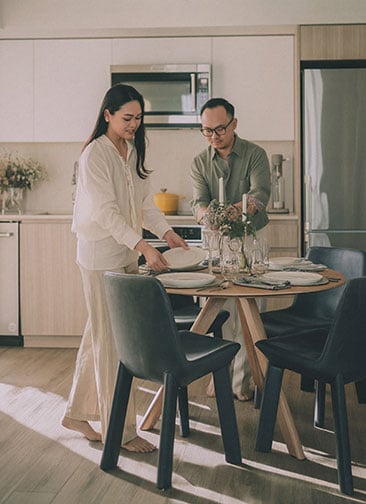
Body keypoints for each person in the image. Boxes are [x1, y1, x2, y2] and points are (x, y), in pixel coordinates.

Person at [61, 83, 187, 453]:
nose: (134, 124)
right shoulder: (94, 155)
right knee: (112, 342)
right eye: (127, 118)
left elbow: (143, 202)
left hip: (124, 254)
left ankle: (75, 414)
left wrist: (167, 233)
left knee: (99, 335)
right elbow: (106, 212)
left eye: (138, 118)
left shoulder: (129, 150)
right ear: (107, 116)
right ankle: (121, 430)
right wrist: (145, 245)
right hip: (101, 257)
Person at [190, 97, 271, 401]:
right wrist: (205, 216)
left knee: (248, 314)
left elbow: (260, 194)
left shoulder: (255, 154)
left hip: (252, 238)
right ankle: (220, 376)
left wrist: (233, 211)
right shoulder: (200, 161)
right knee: (217, 312)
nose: (214, 137)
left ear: (234, 124)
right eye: (207, 131)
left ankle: (241, 382)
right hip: (219, 240)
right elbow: (197, 201)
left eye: (220, 129)